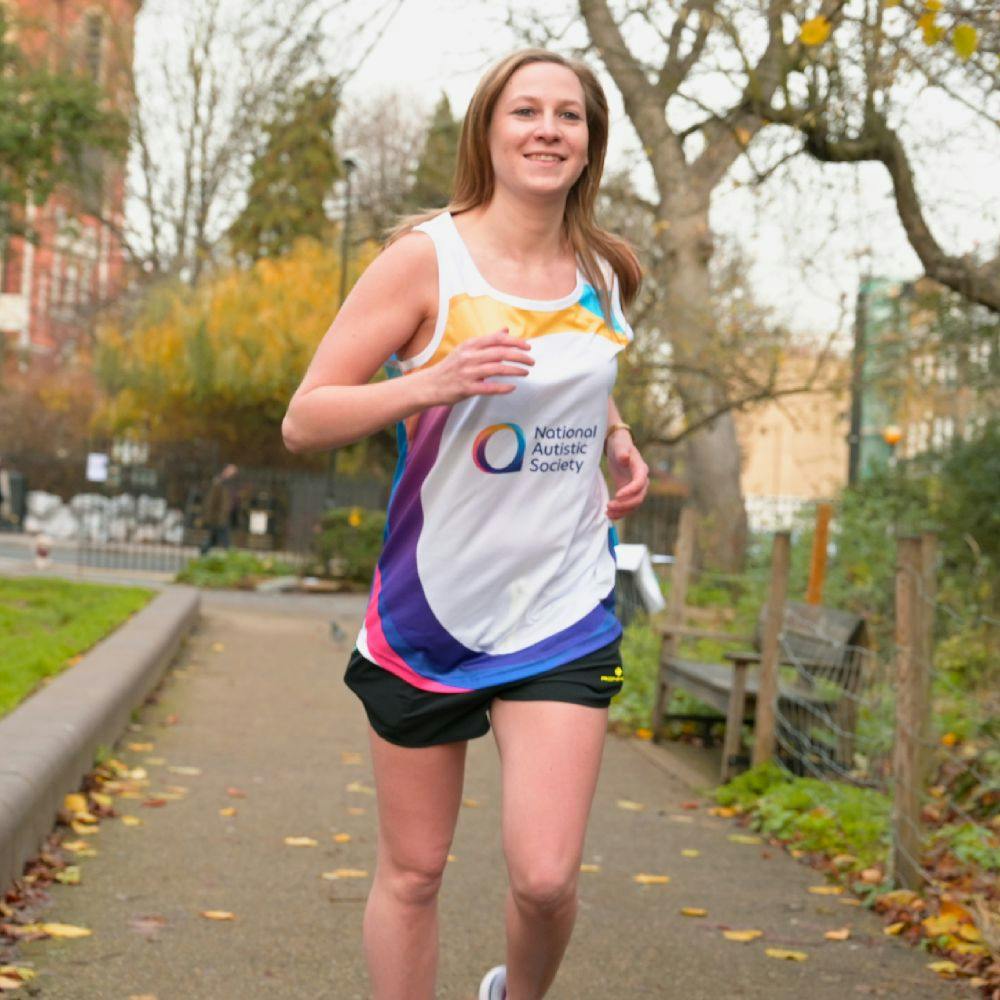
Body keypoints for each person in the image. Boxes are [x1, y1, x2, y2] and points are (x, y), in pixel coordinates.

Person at [283, 48, 649, 1000]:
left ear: (589, 143)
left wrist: (616, 436)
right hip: (429, 615)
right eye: (525, 111)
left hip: (563, 605)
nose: (547, 130)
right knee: (414, 871)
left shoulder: (605, 271)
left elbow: (582, 372)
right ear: (488, 131)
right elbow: (306, 415)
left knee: (545, 878)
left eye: (568, 116)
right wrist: (434, 382)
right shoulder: (424, 260)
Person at [199, 463, 239, 555]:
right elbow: (211, 501)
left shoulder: (230, 484)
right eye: (231, 471)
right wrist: (210, 516)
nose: (233, 473)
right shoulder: (218, 483)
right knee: (226, 541)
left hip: (225, 516)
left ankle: (203, 552)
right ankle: (232, 557)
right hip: (219, 517)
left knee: (213, 539)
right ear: (225, 471)